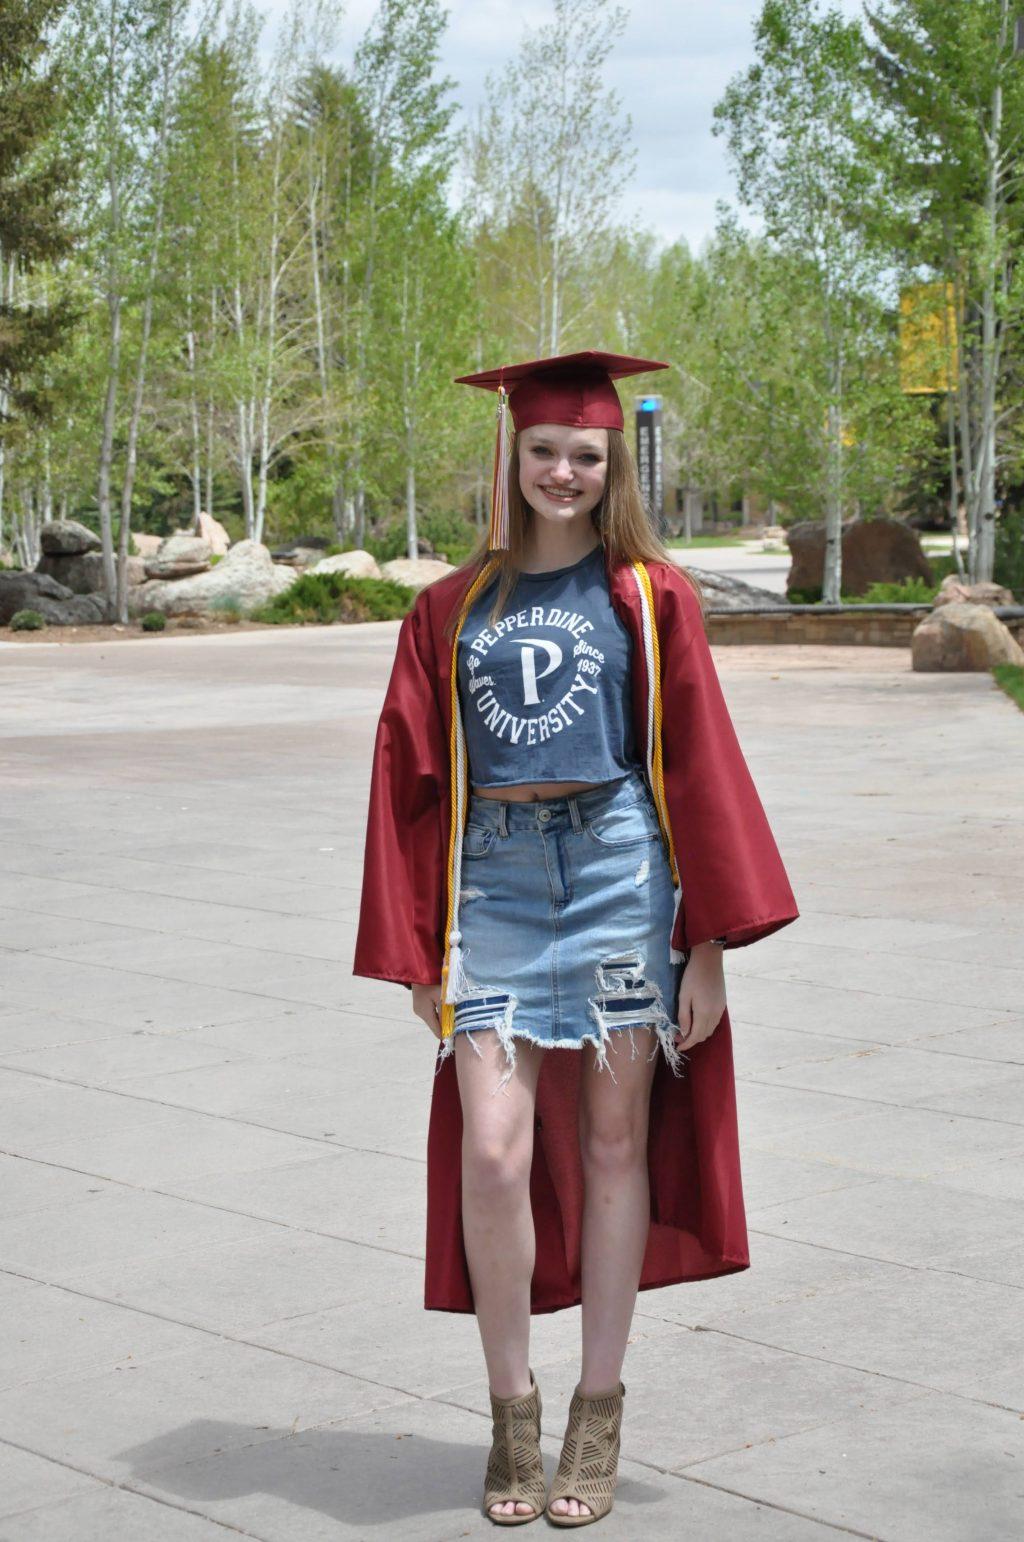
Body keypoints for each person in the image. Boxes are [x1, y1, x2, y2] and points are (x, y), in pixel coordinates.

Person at [353, 350, 799, 1528]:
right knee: (492, 1154)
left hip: (616, 876)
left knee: (614, 1149)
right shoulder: (449, 607)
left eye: (586, 456)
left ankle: (597, 1410)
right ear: (513, 454)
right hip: (494, 890)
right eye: (545, 450)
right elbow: (406, 773)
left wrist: (702, 941)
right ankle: (511, 1411)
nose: (564, 471)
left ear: (612, 468)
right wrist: (413, 945)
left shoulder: (647, 596)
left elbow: (695, 760)